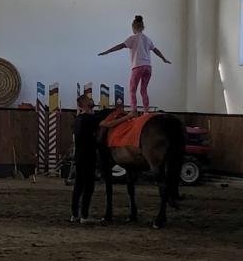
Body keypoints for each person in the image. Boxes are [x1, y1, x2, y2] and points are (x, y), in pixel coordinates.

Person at [98, 15, 171, 115]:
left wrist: (107, 51)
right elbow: (155, 50)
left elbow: (121, 46)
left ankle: (134, 111)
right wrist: (164, 59)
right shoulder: (147, 39)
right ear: (143, 27)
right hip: (148, 67)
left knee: (132, 90)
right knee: (143, 90)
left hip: (138, 66)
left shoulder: (133, 38)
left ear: (133, 27)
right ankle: (146, 112)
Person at [71, 95, 102, 224]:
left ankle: (74, 215)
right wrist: (127, 117)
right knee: (89, 186)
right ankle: (84, 216)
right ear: (84, 104)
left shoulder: (78, 119)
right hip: (88, 156)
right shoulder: (91, 119)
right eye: (89, 99)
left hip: (78, 156)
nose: (92, 100)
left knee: (78, 186)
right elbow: (107, 124)